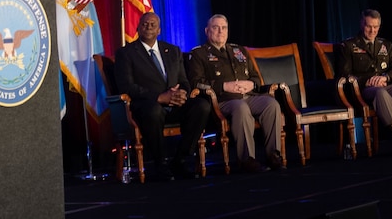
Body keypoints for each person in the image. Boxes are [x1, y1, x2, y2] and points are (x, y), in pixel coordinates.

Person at [114, 12, 212, 181]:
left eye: (153, 25)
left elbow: (184, 81)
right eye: (145, 24)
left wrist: (182, 93)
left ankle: (180, 159)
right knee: (154, 111)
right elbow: (126, 86)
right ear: (138, 28)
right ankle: (160, 164)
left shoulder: (173, 50)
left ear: (159, 30)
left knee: (202, 106)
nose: (149, 27)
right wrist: (160, 97)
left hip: (174, 104)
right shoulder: (126, 53)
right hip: (147, 105)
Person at [186, 14, 285, 173]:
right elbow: (195, 82)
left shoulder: (239, 50)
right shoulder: (199, 54)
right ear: (207, 31)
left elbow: (255, 77)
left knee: (271, 104)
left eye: (224, 28)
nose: (220, 31)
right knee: (241, 108)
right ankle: (247, 159)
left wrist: (250, 84)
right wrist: (224, 86)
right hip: (223, 100)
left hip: (248, 96)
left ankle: (273, 155)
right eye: (215, 27)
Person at [336, 8, 392, 154]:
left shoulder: (385, 44)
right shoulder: (348, 46)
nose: (372, 30)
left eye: (376, 27)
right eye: (369, 26)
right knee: (381, 93)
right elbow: (344, 73)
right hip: (364, 90)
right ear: (361, 24)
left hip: (385, 84)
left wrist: (386, 77)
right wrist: (369, 80)